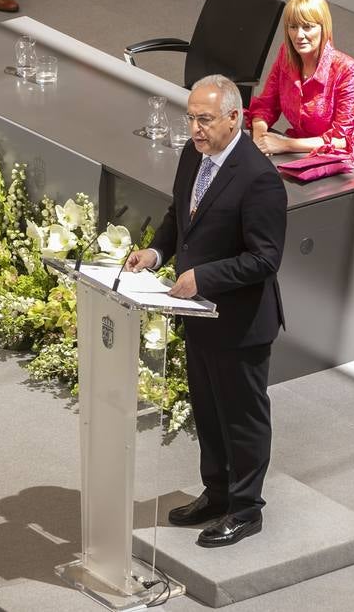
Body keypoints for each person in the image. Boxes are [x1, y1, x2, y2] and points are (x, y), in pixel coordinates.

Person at [124, 74, 286, 549]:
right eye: (191, 118)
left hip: (240, 321)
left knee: (242, 416)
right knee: (208, 412)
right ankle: (216, 494)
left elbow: (265, 258)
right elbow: (181, 216)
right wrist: (156, 254)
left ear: (235, 118)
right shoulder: (193, 154)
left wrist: (205, 277)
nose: (195, 128)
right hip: (198, 315)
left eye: (206, 119)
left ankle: (245, 508)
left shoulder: (259, 179)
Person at [248, 0, 354, 172]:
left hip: (345, 164)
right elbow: (266, 105)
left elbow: (340, 140)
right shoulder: (286, 54)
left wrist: (285, 145)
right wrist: (260, 139)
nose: (299, 35)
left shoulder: (347, 69)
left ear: (323, 27)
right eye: (293, 27)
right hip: (302, 154)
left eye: (307, 27)